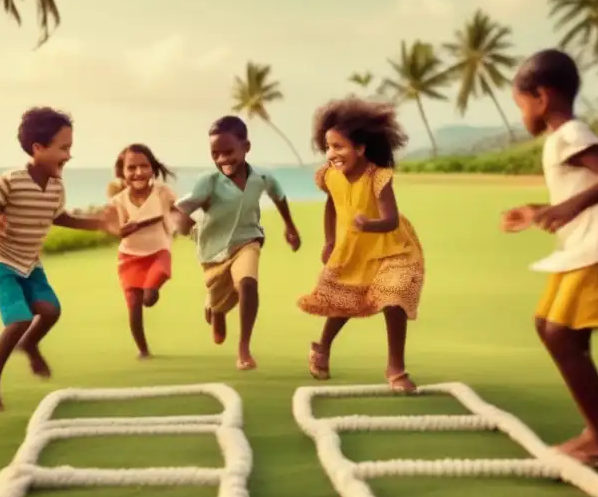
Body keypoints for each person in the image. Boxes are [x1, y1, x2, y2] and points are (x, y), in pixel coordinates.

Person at [501, 48, 598, 468]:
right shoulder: (562, 137)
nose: (522, 115)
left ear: (541, 96)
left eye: (521, 104)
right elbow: (577, 191)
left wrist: (567, 209)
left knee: (560, 334)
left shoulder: (569, 133)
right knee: (552, 328)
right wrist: (538, 211)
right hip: (585, 247)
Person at [0, 106, 114, 412]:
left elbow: (61, 217)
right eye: (64, 148)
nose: (69, 155)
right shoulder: (11, 181)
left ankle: (29, 344)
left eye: (70, 148)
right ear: (38, 148)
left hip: (29, 262)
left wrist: (99, 223)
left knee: (49, 311)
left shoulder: (57, 187)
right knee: (19, 318)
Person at [297, 97, 425, 393]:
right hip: (353, 250)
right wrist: (329, 240)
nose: (331, 154)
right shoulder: (330, 176)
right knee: (343, 303)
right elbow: (330, 206)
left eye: (339, 147)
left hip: (393, 248)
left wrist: (370, 224)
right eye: (328, 147)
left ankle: (396, 369)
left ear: (360, 148)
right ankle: (322, 346)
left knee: (394, 299)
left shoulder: (378, 177)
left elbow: (391, 220)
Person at [174, 115, 301, 370]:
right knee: (219, 297)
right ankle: (217, 309)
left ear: (246, 147)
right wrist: (184, 226)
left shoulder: (262, 177)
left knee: (248, 283)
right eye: (215, 154)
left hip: (248, 240)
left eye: (229, 151)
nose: (222, 159)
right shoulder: (208, 182)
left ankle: (244, 348)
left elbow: (279, 196)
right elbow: (180, 210)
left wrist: (290, 226)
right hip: (213, 250)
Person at [106, 143, 183, 359]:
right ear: (122, 172)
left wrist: (184, 222)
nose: (138, 172)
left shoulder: (163, 193)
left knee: (149, 297)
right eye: (131, 168)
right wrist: (134, 226)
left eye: (144, 166)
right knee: (134, 307)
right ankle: (143, 350)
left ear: (152, 168)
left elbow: (180, 211)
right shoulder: (118, 201)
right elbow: (117, 230)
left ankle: (152, 291)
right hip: (129, 258)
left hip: (159, 252)